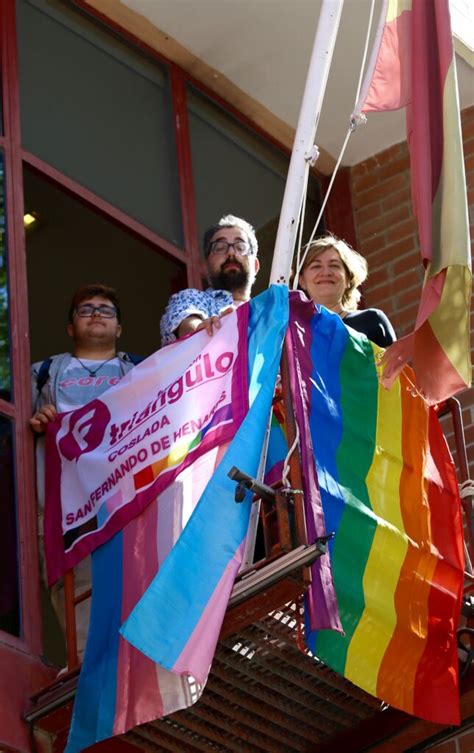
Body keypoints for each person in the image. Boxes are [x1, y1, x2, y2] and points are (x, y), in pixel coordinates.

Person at [31, 284, 141, 661]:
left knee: (133, 580)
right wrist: (36, 421)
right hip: (66, 504)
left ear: (120, 329)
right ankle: (88, 667)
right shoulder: (43, 374)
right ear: (69, 328)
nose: (96, 314)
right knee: (74, 584)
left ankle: (136, 664)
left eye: (106, 310)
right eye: (86, 310)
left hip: (124, 496)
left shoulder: (140, 369)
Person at [160, 214, 260, 345]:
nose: (231, 253)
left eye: (241, 247)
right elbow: (186, 322)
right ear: (205, 266)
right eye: (219, 248)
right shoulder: (191, 298)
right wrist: (201, 329)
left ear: (255, 265)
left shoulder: (267, 315)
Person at [298, 234, 396, 348]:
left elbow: (396, 365)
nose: (326, 272)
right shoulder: (297, 337)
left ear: (348, 278)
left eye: (334, 265)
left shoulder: (372, 321)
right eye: (316, 266)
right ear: (302, 280)